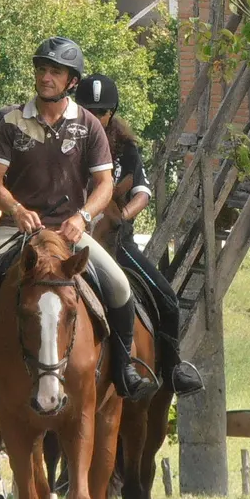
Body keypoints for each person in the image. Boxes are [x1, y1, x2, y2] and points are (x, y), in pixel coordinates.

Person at [0, 36, 153, 406]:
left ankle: (123, 369)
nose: (45, 77)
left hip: (68, 231)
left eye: (55, 72)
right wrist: (15, 209)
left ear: (71, 82)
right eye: (41, 69)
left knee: (121, 288)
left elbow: (105, 184)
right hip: (16, 231)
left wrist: (83, 216)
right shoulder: (12, 123)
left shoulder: (89, 125)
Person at [74, 74, 203, 397]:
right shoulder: (65, 142)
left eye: (101, 112)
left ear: (112, 112)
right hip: (70, 236)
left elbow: (142, 191)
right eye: (88, 110)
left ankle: (172, 370)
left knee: (168, 300)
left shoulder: (126, 148)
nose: (95, 117)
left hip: (116, 241)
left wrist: (122, 216)